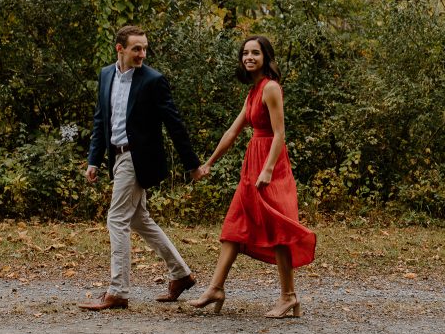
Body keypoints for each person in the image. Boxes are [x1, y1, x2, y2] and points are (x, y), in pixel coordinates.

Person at [77, 25, 205, 311]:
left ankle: (118, 291)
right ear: (120, 49)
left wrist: (192, 164)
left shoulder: (153, 80)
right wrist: (93, 160)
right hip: (117, 155)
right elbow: (101, 120)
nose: (142, 54)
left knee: (117, 218)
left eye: (145, 48)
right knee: (138, 219)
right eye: (137, 48)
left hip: (137, 159)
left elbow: (174, 123)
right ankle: (181, 275)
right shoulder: (106, 75)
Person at [191, 35, 316, 318]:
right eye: (245, 53)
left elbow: (280, 133)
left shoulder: (271, 88)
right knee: (234, 225)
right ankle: (215, 288)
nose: (249, 57)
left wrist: (268, 169)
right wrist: (209, 163)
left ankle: (288, 296)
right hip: (252, 165)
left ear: (265, 57)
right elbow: (232, 132)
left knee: (279, 228)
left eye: (255, 53)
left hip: (271, 165)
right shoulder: (253, 91)